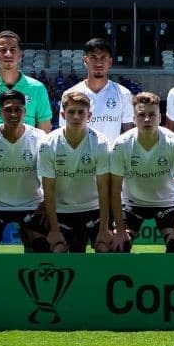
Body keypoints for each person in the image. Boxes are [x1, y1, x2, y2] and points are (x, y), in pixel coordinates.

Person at [109, 92, 174, 253]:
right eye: (141, 114)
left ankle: (171, 279)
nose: (147, 119)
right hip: (131, 203)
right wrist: (121, 231)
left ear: (160, 118)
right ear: (133, 118)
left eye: (152, 115)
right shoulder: (121, 144)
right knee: (118, 245)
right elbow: (114, 190)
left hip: (167, 203)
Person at [0, 90, 50, 253]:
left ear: (25, 112)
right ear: (0, 112)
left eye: (18, 109)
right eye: (8, 110)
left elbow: (50, 173)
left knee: (42, 247)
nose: (13, 114)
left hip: (32, 203)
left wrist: (45, 203)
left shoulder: (40, 137)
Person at [39, 91, 113, 253]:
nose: (76, 117)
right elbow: (48, 190)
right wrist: (54, 230)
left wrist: (104, 228)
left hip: (93, 209)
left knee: (105, 247)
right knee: (57, 249)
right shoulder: (48, 144)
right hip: (62, 210)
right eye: (71, 112)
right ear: (63, 115)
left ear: (89, 115)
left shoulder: (100, 142)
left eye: (81, 112)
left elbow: (103, 188)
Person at [0, 31, 53, 134]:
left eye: (13, 50)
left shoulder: (38, 88)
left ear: (20, 55)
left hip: (26, 150)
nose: (8, 54)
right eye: (3, 50)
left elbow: (44, 130)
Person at [57, 38, 133, 142]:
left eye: (103, 57)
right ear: (85, 61)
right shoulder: (70, 94)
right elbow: (64, 132)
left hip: (110, 156)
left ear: (110, 62)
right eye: (93, 57)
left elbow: (128, 133)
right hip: (81, 157)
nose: (98, 63)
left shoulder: (123, 94)